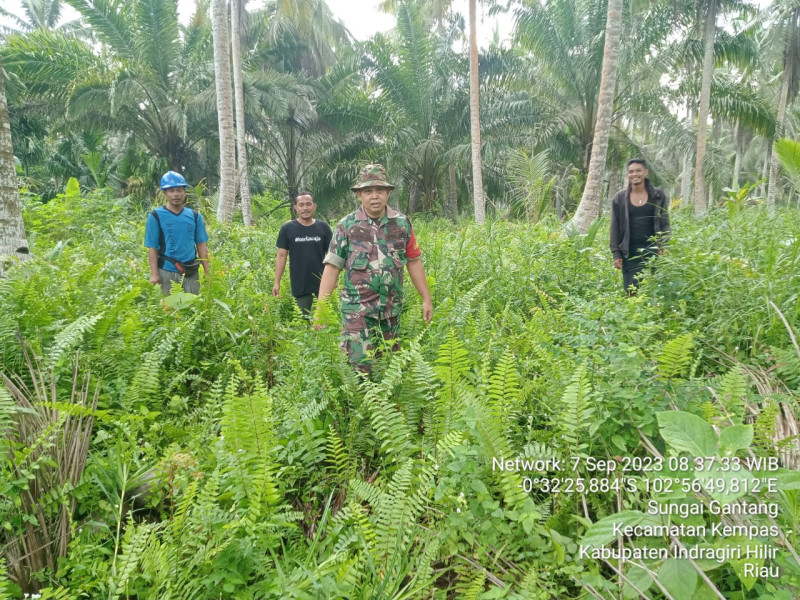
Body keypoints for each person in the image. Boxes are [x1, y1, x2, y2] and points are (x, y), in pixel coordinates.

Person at [316, 164, 433, 372]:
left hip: (391, 311)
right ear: (359, 195)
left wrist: (426, 299)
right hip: (357, 312)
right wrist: (321, 309)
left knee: (388, 368)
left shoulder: (402, 223)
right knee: (359, 371)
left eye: (380, 190)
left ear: (388, 193)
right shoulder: (347, 225)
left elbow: (413, 261)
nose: (375, 196)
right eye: (368, 191)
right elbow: (332, 267)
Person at [610, 158, 671, 294]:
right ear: (627, 174)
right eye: (631, 171)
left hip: (653, 249)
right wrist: (616, 253)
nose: (635, 174)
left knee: (656, 290)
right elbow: (614, 227)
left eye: (638, 170)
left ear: (645, 172)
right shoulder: (620, 198)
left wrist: (663, 245)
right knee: (631, 291)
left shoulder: (658, 195)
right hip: (630, 251)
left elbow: (665, 222)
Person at [145, 171, 209, 295]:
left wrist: (207, 270)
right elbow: (152, 247)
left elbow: (201, 244)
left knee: (193, 304)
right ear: (165, 193)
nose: (176, 194)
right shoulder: (156, 216)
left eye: (179, 190)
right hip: (167, 270)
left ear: (184, 192)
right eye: (171, 191)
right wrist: (154, 274)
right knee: (171, 306)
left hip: (191, 271)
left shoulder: (195, 216)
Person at [273, 192, 333, 315]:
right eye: (301, 205)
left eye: (308, 204)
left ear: (314, 206)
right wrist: (276, 282)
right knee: (303, 320)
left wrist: (333, 278)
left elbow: (331, 254)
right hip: (300, 284)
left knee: (324, 319)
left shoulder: (323, 227)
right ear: (296, 208)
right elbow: (281, 256)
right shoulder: (287, 228)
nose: (305, 208)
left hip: (323, 282)